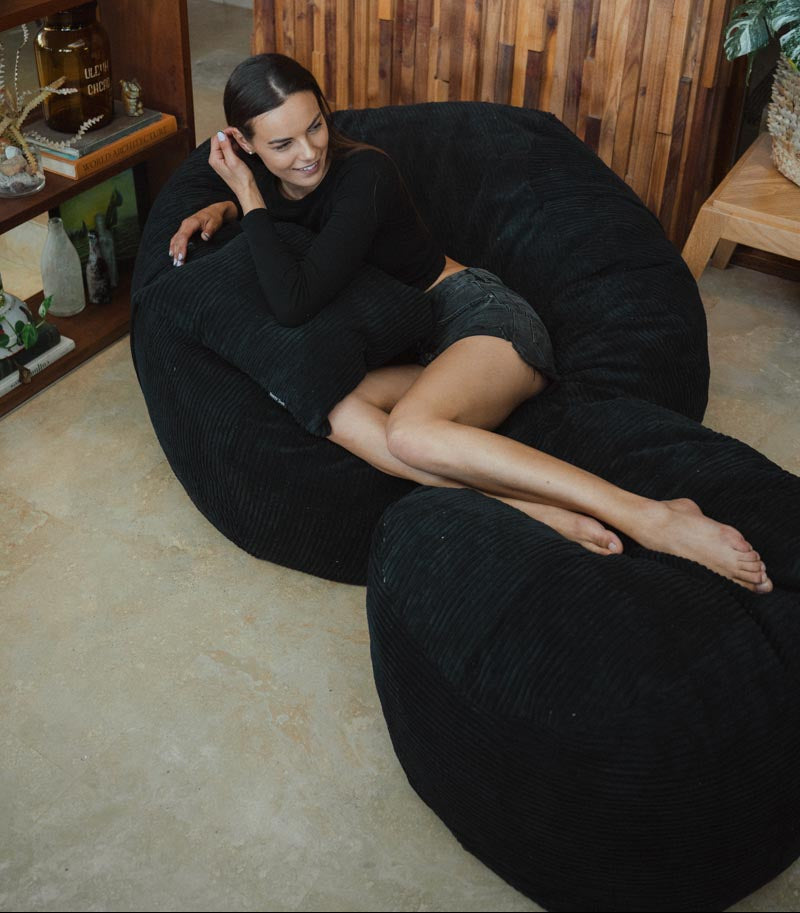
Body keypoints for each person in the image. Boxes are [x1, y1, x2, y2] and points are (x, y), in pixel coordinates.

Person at [168, 53, 772, 593]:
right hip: (416, 351)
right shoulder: (277, 189)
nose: (308, 153)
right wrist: (227, 206)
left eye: (316, 126)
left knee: (409, 434)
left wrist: (245, 196)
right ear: (244, 146)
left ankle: (650, 515)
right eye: (282, 145)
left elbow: (293, 302)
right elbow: (278, 228)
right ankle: (534, 509)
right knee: (327, 406)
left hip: (479, 319)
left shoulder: (364, 175)